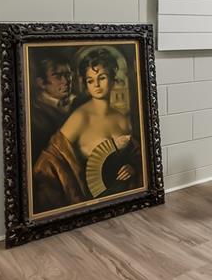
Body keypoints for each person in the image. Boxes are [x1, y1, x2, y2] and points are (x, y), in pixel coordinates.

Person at [32, 47, 142, 215]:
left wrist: (133, 167)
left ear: (113, 79)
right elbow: (48, 161)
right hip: (91, 201)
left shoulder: (122, 118)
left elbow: (135, 154)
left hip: (125, 198)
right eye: (90, 80)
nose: (96, 85)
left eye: (102, 78)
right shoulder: (80, 117)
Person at [29, 54, 75, 166]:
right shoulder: (35, 115)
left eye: (68, 74)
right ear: (41, 83)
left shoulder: (77, 103)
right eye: (57, 76)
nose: (66, 81)